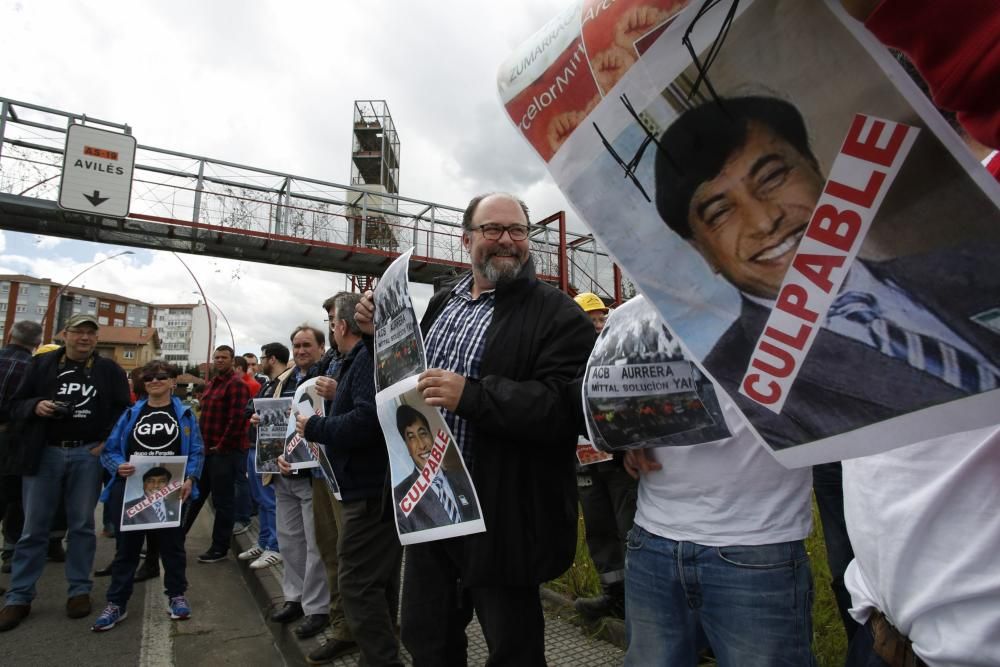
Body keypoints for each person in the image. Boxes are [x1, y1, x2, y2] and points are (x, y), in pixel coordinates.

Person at [654, 94, 997, 638]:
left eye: (771, 178)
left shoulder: (976, 262)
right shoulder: (741, 370)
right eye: (719, 212)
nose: (765, 220)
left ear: (819, 172)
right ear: (702, 254)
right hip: (907, 624)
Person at [356, 193, 595, 665]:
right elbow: (409, 381)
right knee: (428, 639)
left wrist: (475, 395)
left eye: (517, 230)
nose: (506, 240)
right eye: (492, 230)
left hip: (504, 516)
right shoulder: (443, 301)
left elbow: (567, 407)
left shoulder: (557, 313)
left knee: (513, 648)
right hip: (432, 505)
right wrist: (377, 336)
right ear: (466, 239)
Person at [0, 314, 130, 632]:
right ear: (65, 335)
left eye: (90, 333)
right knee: (33, 528)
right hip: (45, 453)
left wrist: (105, 442)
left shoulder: (108, 369)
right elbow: (14, 405)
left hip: (87, 454)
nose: (84, 338)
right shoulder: (41, 365)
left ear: (96, 340)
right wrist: (35, 407)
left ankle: (79, 591)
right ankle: (18, 597)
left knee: (83, 526)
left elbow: (123, 409)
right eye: (78, 332)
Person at [300, 292, 401, 666]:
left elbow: (366, 421)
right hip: (363, 485)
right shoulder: (343, 360)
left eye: (331, 321)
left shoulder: (364, 361)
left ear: (342, 325)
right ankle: (381, 647)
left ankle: (379, 656)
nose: (330, 327)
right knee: (378, 577)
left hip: (368, 490)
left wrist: (316, 426)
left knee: (356, 581)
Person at [91, 360, 203, 631]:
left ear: (172, 381)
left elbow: (197, 451)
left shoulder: (186, 415)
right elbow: (111, 450)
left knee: (172, 548)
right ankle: (117, 602)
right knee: (126, 549)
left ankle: (176, 595)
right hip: (131, 488)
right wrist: (118, 465)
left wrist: (190, 478)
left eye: (161, 376)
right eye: (149, 377)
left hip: (171, 488)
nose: (154, 381)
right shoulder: (130, 414)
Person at [571, 292, 637, 620]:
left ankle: (642, 601)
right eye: (590, 319)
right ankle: (615, 594)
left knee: (630, 528)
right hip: (584, 459)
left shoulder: (619, 351)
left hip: (618, 458)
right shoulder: (565, 356)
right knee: (598, 527)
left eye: (600, 318)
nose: (597, 324)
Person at [263, 326, 330, 640]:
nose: (301, 350)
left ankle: (318, 608)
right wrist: (260, 422)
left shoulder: (325, 378)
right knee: (289, 541)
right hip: (282, 471)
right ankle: (295, 598)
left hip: (312, 474)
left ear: (321, 346)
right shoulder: (284, 380)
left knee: (315, 543)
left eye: (307, 345)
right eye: (296, 345)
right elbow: (273, 420)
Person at [182, 345, 251, 563]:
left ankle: (219, 548)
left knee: (223, 503)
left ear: (232, 360)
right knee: (194, 498)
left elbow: (237, 420)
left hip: (225, 453)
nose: (219, 360)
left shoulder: (237, 385)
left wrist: (221, 446)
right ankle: (174, 539)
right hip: (206, 452)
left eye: (224, 357)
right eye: (217, 357)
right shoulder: (212, 384)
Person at [0, 321, 43, 591]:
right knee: (14, 494)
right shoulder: (34, 369)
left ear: (8, 335)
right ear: (37, 344)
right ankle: (11, 548)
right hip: (13, 439)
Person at [391, 405, 479, 535]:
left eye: (423, 433)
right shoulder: (400, 497)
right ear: (406, 446)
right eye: (412, 437)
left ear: (432, 436)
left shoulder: (462, 478)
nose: (421, 445)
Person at [236, 342, 285, 571]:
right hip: (255, 446)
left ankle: (275, 546)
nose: (259, 362)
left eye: (263, 357)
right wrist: (255, 414)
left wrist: (259, 413)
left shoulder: (287, 382)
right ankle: (264, 541)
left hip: (270, 448)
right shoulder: (267, 385)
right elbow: (249, 409)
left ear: (272, 359)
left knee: (270, 500)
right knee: (261, 499)